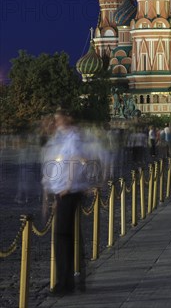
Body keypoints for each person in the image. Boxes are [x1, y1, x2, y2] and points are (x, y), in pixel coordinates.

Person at [42, 109, 93, 295]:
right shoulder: (62, 137)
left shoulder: (73, 137)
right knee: (68, 237)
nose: (55, 122)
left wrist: (67, 186)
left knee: (64, 238)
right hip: (63, 192)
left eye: (58, 118)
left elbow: (75, 160)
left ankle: (66, 283)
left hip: (69, 193)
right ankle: (73, 280)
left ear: (67, 118)